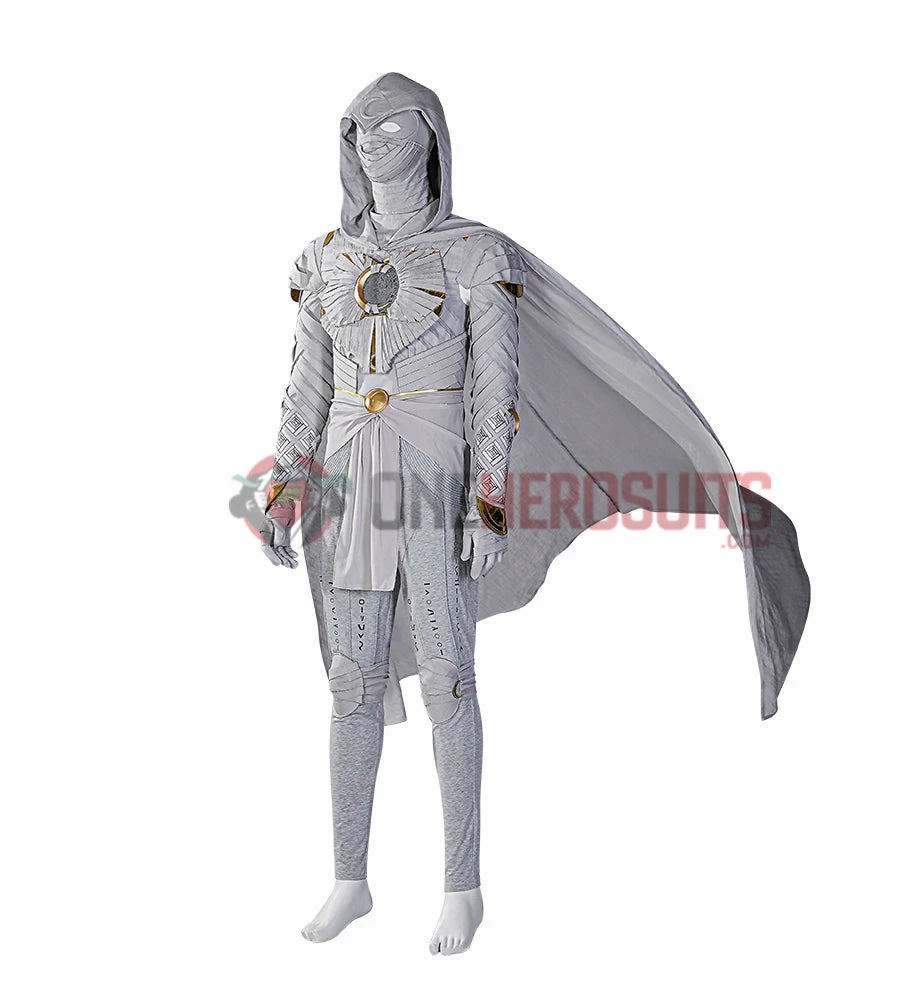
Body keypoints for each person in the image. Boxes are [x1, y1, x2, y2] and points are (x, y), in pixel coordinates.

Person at [259, 72, 810, 956]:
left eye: (391, 122)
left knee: (450, 679)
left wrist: (489, 503)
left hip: (437, 480)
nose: (370, 135)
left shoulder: (477, 256)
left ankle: (461, 887)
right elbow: (307, 385)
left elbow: (495, 390)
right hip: (354, 483)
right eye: (358, 125)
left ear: (430, 134)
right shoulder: (324, 260)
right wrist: (286, 484)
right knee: (351, 682)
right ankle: (350, 879)